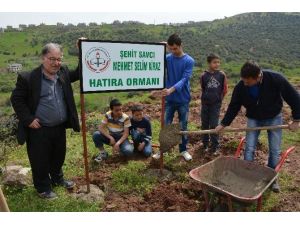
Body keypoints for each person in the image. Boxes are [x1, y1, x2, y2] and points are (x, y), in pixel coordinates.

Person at [11, 41, 82, 199]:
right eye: (52, 59)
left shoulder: (62, 72)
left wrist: (82, 51)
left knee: (58, 155)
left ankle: (57, 180)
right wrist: (28, 119)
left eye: (59, 59)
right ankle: (43, 188)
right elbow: (16, 99)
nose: (56, 63)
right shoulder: (29, 78)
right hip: (39, 129)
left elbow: (78, 73)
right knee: (40, 159)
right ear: (43, 58)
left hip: (59, 126)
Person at [215, 60, 300, 192]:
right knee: (249, 147)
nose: (245, 84)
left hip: (274, 118)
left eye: (248, 82)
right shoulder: (241, 86)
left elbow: (294, 97)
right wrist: (224, 124)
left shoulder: (275, 79)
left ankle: (272, 178)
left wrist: (296, 119)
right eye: (243, 80)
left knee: (274, 149)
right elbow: (234, 106)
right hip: (254, 118)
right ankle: (246, 174)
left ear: (258, 76)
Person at [153, 33, 195, 161]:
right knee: (167, 125)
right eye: (171, 49)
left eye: (175, 48)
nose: (173, 51)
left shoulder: (189, 61)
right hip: (169, 100)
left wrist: (171, 89)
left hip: (183, 99)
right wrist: (161, 48)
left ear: (181, 45)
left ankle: (183, 150)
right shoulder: (168, 58)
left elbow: (184, 79)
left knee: (183, 126)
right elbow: (155, 62)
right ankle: (163, 150)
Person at [200, 53, 228, 155]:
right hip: (205, 104)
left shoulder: (221, 75)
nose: (217, 64)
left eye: (218, 62)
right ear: (209, 63)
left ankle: (215, 146)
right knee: (204, 124)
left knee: (214, 124)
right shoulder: (204, 75)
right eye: (214, 62)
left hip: (215, 105)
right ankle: (205, 144)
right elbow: (203, 88)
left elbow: (225, 90)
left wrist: (219, 100)